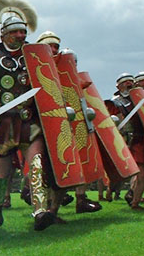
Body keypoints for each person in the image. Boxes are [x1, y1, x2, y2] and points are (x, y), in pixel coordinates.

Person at [0, 0, 60, 231]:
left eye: (23, 32)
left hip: (29, 121)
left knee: (36, 163)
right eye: (15, 32)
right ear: (3, 35)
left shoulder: (35, 57)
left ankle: (39, 211)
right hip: (3, 123)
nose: (21, 36)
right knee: (1, 172)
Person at [36, 31, 102, 215]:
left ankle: (65, 206)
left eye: (57, 45)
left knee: (75, 160)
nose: (54, 49)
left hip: (71, 123)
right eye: (50, 45)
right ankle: (42, 204)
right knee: (46, 169)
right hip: (45, 126)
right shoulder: (33, 68)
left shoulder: (65, 69)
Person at [110, 73, 144, 210]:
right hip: (126, 139)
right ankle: (112, 192)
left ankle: (135, 201)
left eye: (131, 81)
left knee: (142, 172)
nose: (129, 84)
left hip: (142, 138)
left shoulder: (142, 99)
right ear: (119, 86)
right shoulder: (115, 102)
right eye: (125, 82)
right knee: (122, 173)